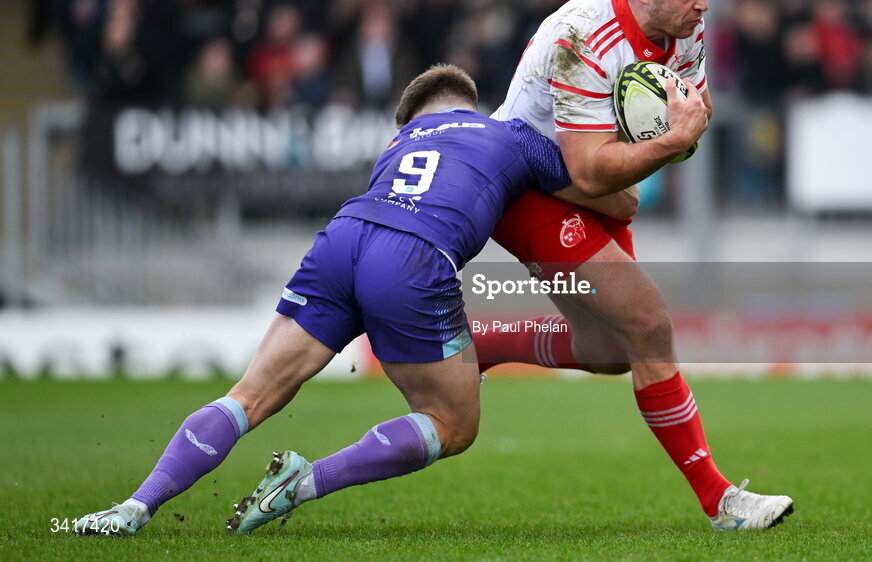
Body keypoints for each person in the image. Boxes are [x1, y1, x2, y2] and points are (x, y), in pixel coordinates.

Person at [72, 64, 662, 536]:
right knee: (452, 424)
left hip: (344, 237)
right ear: (468, 102)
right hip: (413, 256)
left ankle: (132, 508)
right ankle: (307, 482)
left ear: (410, 118)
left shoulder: (397, 143)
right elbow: (618, 200)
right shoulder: (505, 135)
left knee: (248, 397)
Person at [480, 0, 794, 530]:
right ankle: (720, 500)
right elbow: (596, 171)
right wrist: (668, 143)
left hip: (592, 182)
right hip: (523, 185)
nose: (702, 7)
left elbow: (690, 124)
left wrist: (673, 140)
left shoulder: (684, 27)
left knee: (609, 350)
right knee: (648, 322)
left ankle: (481, 343)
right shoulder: (580, 36)